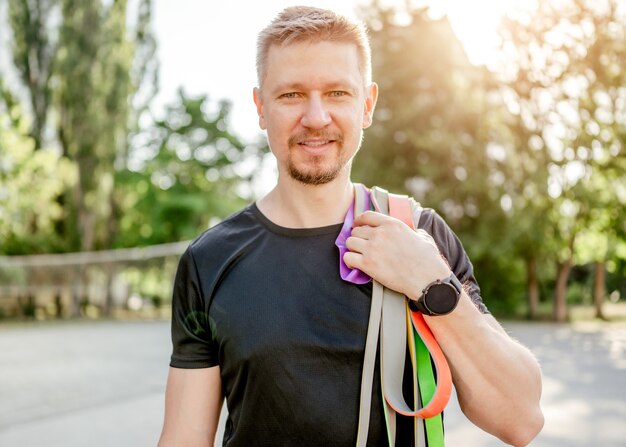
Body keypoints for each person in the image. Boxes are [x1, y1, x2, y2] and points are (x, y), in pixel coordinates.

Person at [157, 6, 544, 447]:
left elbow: (521, 419)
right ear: (261, 107)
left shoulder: (419, 235)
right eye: (291, 95)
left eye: (338, 93)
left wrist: (432, 284)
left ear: (367, 104)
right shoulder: (209, 261)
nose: (317, 117)